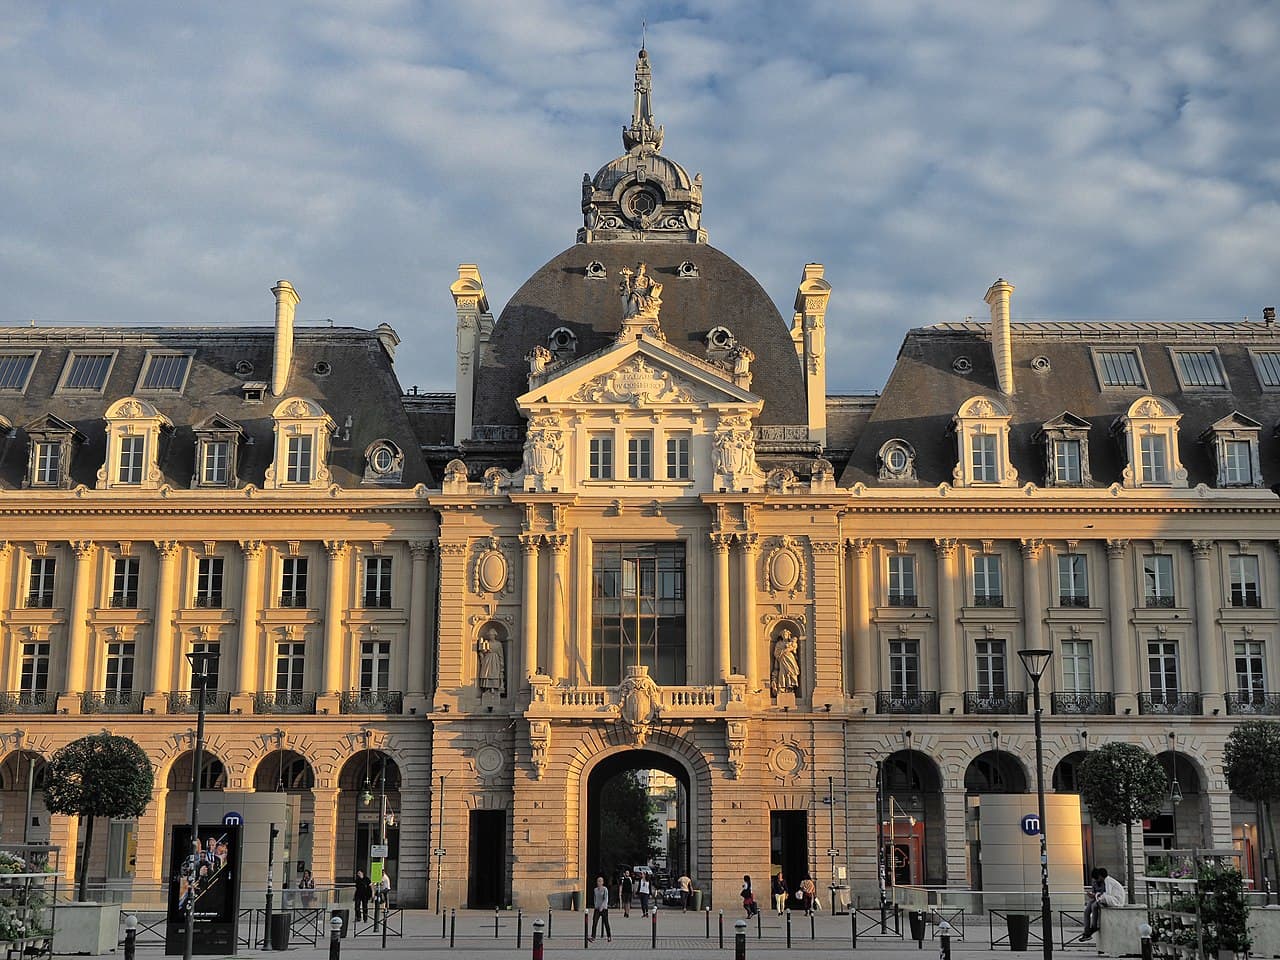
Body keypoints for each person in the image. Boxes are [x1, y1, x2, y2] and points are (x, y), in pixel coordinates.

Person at [1081, 868, 1105, 940]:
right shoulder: (1094, 882)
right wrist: (1091, 895)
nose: (1096, 881)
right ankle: (1087, 931)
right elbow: (1094, 891)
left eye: (1096, 879)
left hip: (1101, 899)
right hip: (1095, 898)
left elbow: (1104, 894)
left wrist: (1096, 895)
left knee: (1094, 906)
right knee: (1086, 911)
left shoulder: (1104, 882)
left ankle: (1094, 927)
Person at [590, 876, 612, 943]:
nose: (599, 882)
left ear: (602, 882)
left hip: (604, 908)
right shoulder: (595, 890)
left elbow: (606, 899)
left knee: (606, 923)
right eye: (598, 881)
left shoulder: (605, 889)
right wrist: (595, 905)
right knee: (594, 922)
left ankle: (609, 936)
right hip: (597, 908)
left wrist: (602, 906)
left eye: (600, 881)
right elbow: (595, 898)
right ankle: (593, 937)